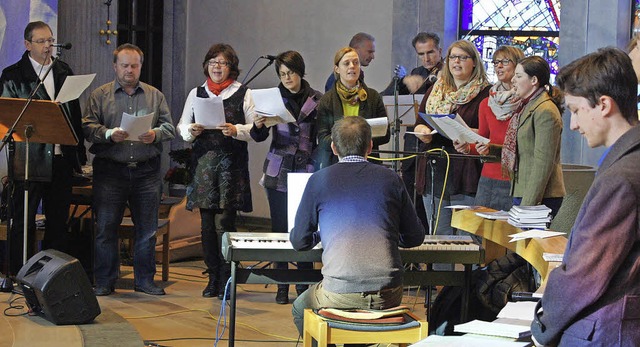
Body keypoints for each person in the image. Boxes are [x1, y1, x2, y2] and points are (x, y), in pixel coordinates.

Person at [531, 47, 640, 346]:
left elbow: (585, 275)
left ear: (604, 104)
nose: (574, 124)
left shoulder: (621, 178)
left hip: (605, 332)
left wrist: (542, 327)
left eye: (577, 110)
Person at [290, 116, 426, 339]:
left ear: (333, 147)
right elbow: (414, 237)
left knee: (299, 309)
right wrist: (389, 233)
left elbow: (300, 241)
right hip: (389, 293)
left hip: (339, 293)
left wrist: (320, 234)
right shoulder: (391, 178)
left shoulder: (319, 179)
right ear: (370, 145)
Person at [83, 43, 176, 296]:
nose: (129, 70)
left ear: (140, 67)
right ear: (115, 66)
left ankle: (145, 281)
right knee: (105, 228)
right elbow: (87, 127)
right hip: (111, 170)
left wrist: (155, 134)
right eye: (124, 65)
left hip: (146, 171)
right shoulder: (100, 95)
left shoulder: (155, 95)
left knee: (146, 230)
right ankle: (104, 281)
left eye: (134, 65)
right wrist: (108, 133)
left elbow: (170, 128)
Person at [0, 21, 86, 275]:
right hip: (29, 160)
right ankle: (20, 274)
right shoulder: (13, 74)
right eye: (42, 41)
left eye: (50, 40)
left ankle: (53, 277)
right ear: (27, 45)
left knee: (58, 222)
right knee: (23, 221)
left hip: (61, 159)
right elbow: (8, 116)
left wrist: (79, 156)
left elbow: (75, 116)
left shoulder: (63, 70)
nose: (48, 45)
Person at [177, 43, 255, 300]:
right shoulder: (197, 92)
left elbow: (254, 128)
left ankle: (227, 278)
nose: (217, 67)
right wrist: (192, 132)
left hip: (231, 168)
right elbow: (182, 126)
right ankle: (212, 277)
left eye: (222, 63)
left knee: (224, 225)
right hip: (204, 166)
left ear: (231, 67)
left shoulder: (242, 92)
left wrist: (236, 130)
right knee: (206, 227)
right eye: (213, 62)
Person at [250, 51, 322, 304]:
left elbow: (320, 137)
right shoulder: (272, 98)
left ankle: (304, 285)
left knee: (304, 228)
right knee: (279, 230)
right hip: (277, 169)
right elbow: (257, 136)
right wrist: (258, 125)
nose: (287, 77)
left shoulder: (317, 99)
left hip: (307, 170)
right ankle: (281, 285)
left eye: (290, 72)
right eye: (282, 73)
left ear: (300, 71)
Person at [413, 39, 491, 236]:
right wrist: (422, 131)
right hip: (435, 167)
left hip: (467, 171)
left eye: (463, 57)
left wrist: (469, 133)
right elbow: (420, 121)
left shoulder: (485, 93)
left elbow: (489, 133)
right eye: (453, 57)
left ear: (474, 61)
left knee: (468, 236)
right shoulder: (436, 89)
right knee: (439, 235)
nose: (457, 62)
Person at [453, 46, 524, 211]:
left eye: (505, 61)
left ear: (519, 66)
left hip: (516, 178)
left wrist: (490, 148)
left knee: (510, 233)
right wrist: (467, 148)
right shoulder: (486, 103)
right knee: (481, 232)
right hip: (488, 178)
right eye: (496, 62)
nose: (498, 66)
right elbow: (483, 140)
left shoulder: (525, 103)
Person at [504, 56, 564, 216]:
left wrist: (528, 205)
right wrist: (490, 150)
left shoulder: (545, 110)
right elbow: (523, 149)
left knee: (529, 240)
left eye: (518, 76)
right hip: (524, 189)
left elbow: (543, 163)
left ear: (534, 80)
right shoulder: (526, 106)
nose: (513, 80)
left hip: (540, 196)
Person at [316, 47, 389, 169]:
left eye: (356, 62)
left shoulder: (373, 97)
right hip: (336, 165)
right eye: (346, 63)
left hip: (369, 163)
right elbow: (323, 139)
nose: (352, 66)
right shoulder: (327, 100)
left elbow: (385, 135)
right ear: (337, 69)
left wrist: (350, 142)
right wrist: (356, 142)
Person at [381, 31, 444, 96]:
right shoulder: (417, 72)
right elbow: (386, 96)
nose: (426, 59)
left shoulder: (449, 71)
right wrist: (403, 80)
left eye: (430, 53)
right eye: (421, 54)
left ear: (439, 51)